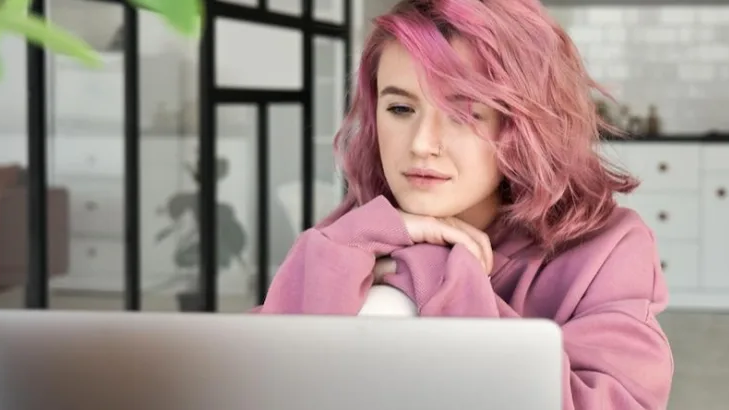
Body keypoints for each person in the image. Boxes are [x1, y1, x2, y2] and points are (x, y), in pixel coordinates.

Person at [252, 0, 673, 408]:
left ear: (526, 124)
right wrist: (339, 246)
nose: (421, 144)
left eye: (464, 114)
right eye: (400, 108)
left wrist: (434, 270)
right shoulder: (361, 230)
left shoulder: (610, 249)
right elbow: (252, 378)